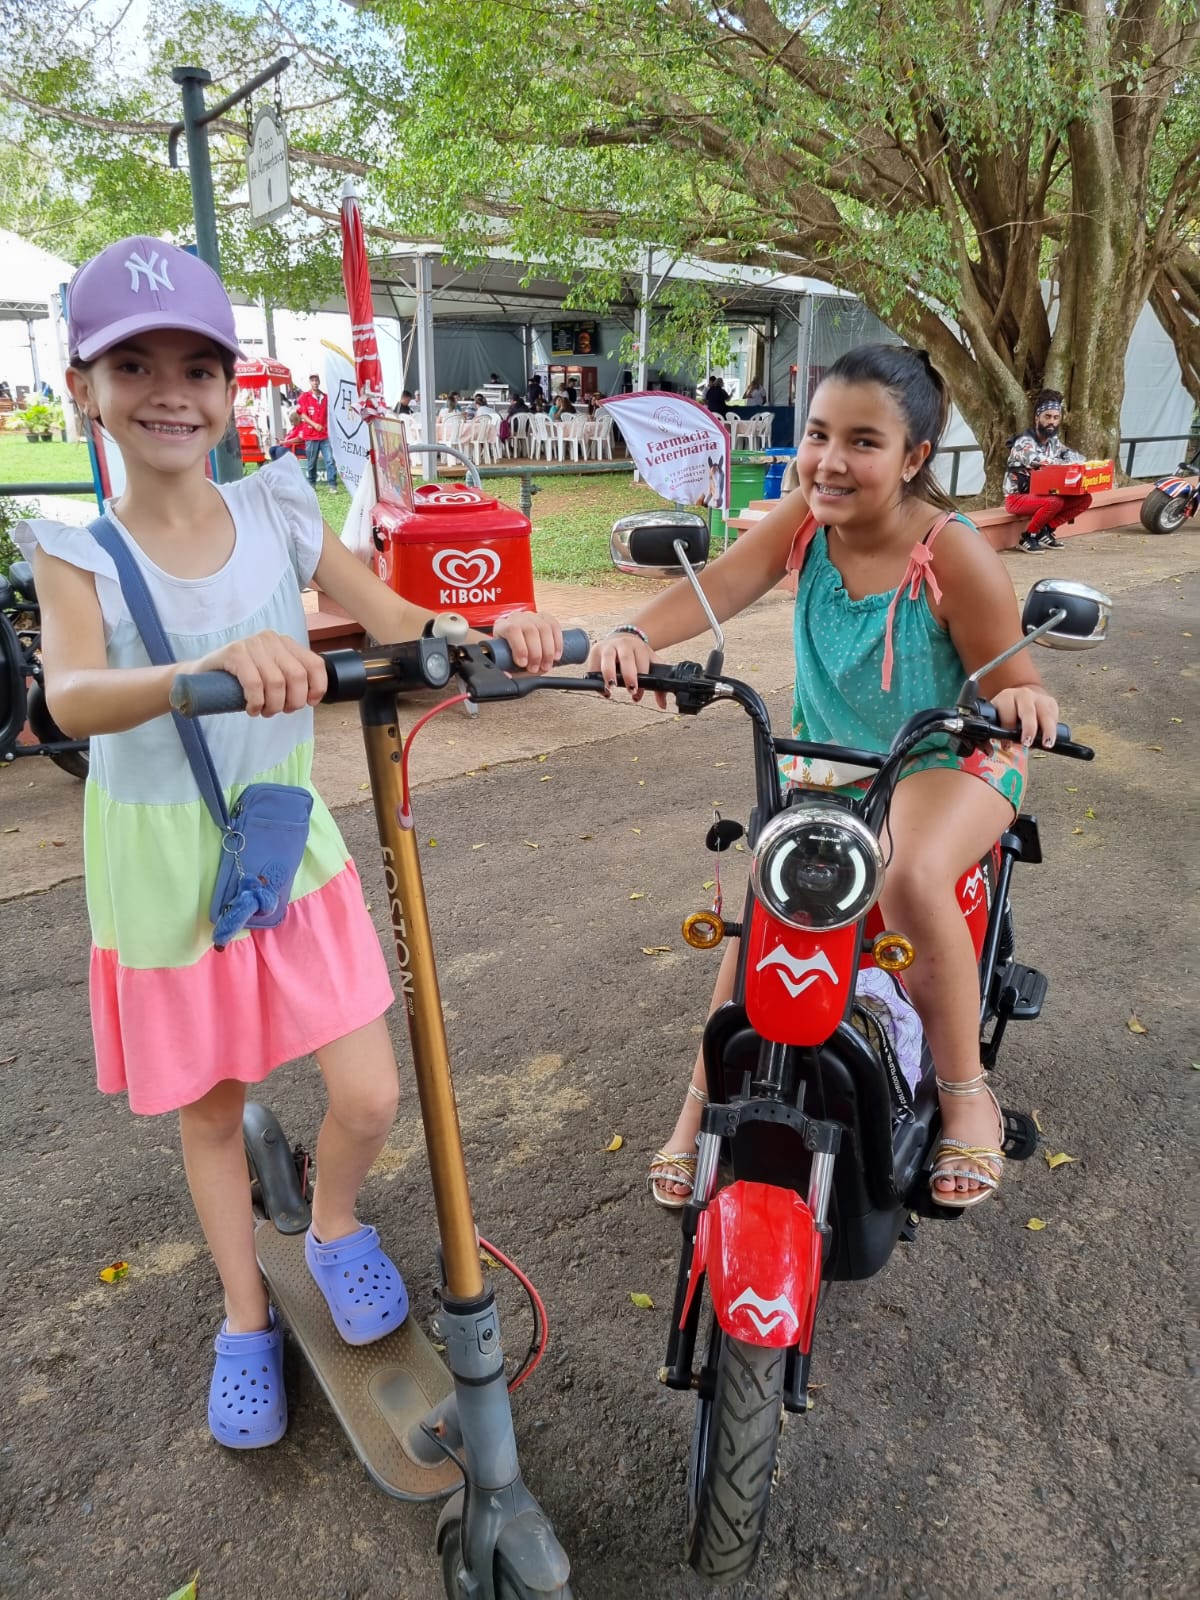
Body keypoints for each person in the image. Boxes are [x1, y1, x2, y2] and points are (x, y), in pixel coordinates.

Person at [15, 235, 564, 1450]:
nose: (171, 391)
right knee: (212, 1110)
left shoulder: (277, 506)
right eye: (136, 365)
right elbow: (70, 697)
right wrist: (195, 672)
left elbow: (400, 616)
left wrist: (496, 627)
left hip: (285, 841)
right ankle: (244, 1311)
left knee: (369, 1087)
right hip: (158, 859)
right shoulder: (77, 550)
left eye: (199, 367)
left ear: (231, 386)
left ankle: (327, 1223)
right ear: (82, 388)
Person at [593, 343, 1059, 1214]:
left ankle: (966, 1092)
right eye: (817, 434)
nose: (830, 460)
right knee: (762, 916)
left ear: (916, 458)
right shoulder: (804, 522)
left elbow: (1015, 682)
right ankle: (697, 1108)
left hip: (950, 757)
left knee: (911, 872)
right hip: (831, 768)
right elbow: (723, 583)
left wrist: (1030, 700)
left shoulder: (950, 552)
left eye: (864, 441)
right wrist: (635, 638)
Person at [1003, 390, 1091, 553]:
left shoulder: (1053, 442)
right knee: (1054, 501)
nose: (1052, 422)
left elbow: (1077, 457)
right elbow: (1038, 461)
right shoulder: (1024, 442)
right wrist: (1065, 463)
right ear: (1037, 418)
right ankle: (1028, 537)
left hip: (1041, 494)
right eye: (1047, 417)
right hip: (1017, 498)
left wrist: (1079, 462)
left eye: (1056, 418)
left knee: (1084, 499)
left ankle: (1046, 531)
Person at [296, 373, 338, 492]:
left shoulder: (325, 397)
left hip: (324, 435)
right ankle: (312, 483)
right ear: (310, 382)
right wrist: (314, 424)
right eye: (312, 380)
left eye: (316, 380)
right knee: (311, 461)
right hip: (311, 435)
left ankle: (332, 484)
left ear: (319, 382)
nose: (315, 382)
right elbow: (302, 414)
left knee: (329, 459)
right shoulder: (304, 397)